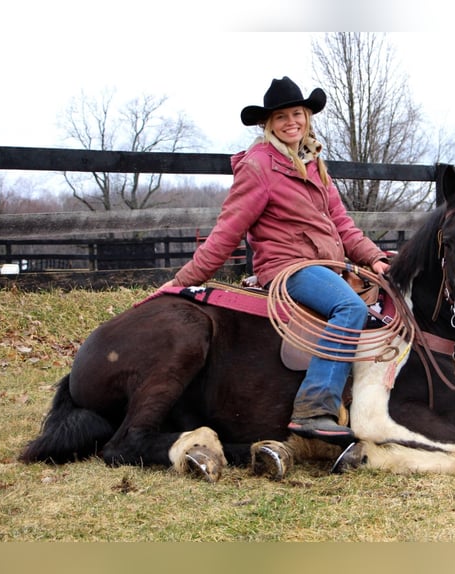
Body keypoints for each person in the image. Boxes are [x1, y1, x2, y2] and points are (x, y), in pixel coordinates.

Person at [159, 77, 389, 445]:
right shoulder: (259, 166)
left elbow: (342, 223)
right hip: (289, 266)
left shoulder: (314, 164)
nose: (290, 122)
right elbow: (227, 230)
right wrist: (184, 280)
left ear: (307, 118)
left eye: (296, 114)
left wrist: (374, 258)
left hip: (326, 266)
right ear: (269, 124)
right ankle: (314, 408)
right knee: (348, 307)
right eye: (280, 117)